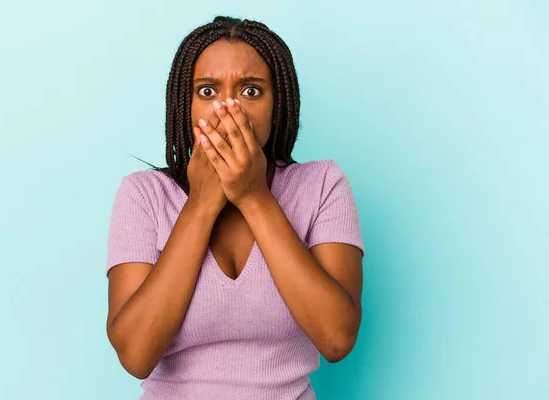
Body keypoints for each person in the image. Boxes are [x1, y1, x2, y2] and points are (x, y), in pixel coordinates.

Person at [105, 15, 365, 400]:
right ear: (185, 106)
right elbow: (135, 355)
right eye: (208, 91)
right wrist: (200, 206)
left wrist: (254, 197)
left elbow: (337, 339)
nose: (229, 110)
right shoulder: (143, 195)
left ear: (279, 104)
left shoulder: (323, 185)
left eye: (251, 91)